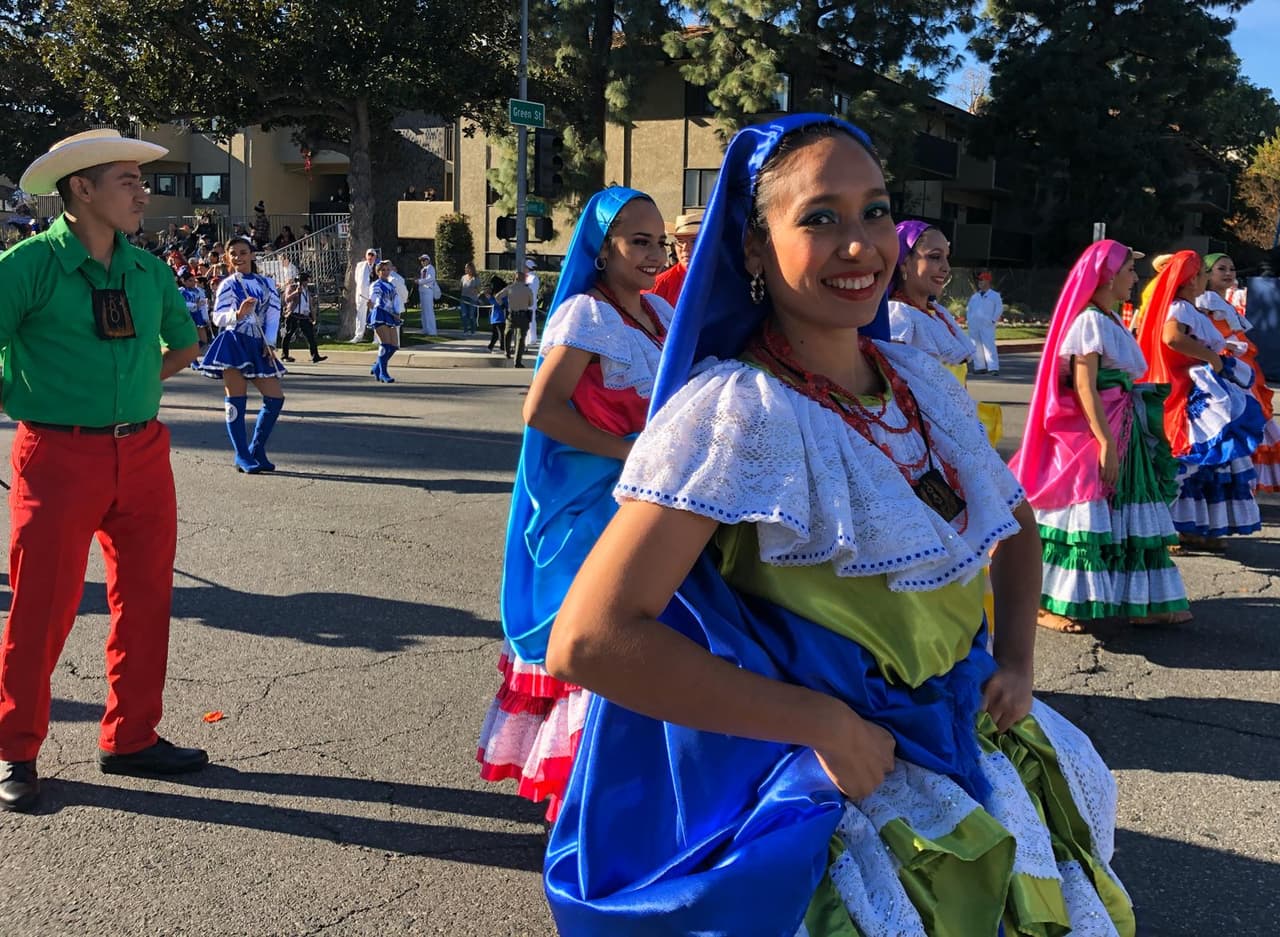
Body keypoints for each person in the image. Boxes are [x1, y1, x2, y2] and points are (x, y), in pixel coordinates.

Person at [540, 115, 1134, 936]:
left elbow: (1018, 522)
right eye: (819, 217)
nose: (860, 245)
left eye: (876, 211)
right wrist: (820, 723)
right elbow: (590, 638)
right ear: (753, 248)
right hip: (847, 774)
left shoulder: (918, 382)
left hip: (967, 733)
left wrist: (1019, 660)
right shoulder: (734, 412)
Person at [0, 129, 209, 813]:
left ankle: (131, 736)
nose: (143, 191)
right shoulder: (27, 266)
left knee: (147, 598)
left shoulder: (147, 271)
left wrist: (129, 392)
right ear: (81, 190)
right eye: (127, 179)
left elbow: (183, 344)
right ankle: (16, 748)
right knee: (42, 605)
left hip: (143, 451)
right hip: (58, 453)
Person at [477, 186, 672, 822]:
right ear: (603, 247)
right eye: (637, 241)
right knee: (601, 639)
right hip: (591, 507)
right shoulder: (587, 315)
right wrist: (626, 452)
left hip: (646, 504)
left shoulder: (657, 315)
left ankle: (627, 792)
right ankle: (583, 804)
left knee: (646, 636)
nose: (652, 253)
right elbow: (540, 410)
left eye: (658, 241)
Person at [1010, 240, 1190, 634]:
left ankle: (1142, 601)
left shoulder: (1109, 319)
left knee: (1127, 511)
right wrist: (1105, 441)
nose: (1135, 277)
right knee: (1082, 510)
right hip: (1101, 429)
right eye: (1129, 269)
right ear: (1107, 275)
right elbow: (1084, 385)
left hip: (1124, 427)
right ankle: (1045, 603)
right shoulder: (1089, 321)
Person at [1136, 250, 1264, 552]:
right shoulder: (1179, 307)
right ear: (1193, 279)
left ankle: (1198, 528)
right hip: (1188, 390)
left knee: (1212, 462)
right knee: (1192, 459)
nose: (1207, 278)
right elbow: (1171, 338)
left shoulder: (1189, 308)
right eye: (1204, 273)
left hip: (1202, 387)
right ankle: (1175, 529)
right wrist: (1210, 357)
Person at [195, 235, 288, 474]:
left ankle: (257, 448)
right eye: (233, 253)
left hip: (258, 345)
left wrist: (270, 343)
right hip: (234, 342)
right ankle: (242, 454)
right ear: (227, 257)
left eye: (243, 252)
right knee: (237, 400)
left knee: (275, 398)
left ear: (252, 255)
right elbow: (217, 317)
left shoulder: (267, 283)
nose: (238, 257)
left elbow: (273, 315)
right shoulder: (228, 284)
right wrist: (238, 313)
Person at [1198, 252, 1280, 492]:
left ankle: (1243, 481)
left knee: (1253, 421)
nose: (1228, 273)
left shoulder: (1226, 304)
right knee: (1234, 424)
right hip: (1224, 372)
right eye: (1221, 269)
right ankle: (1226, 483)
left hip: (1242, 370)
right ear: (1207, 274)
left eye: (1231, 269)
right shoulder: (1204, 303)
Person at [650, 208, 702, 305]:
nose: (685, 247)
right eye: (680, 241)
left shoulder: (728, 281)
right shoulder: (659, 286)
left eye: (694, 241)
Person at [280, 272, 327, 364]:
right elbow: (287, 299)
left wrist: (313, 317)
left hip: (304, 316)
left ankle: (315, 356)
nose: (307, 282)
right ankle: (284, 355)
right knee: (288, 334)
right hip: (293, 314)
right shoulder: (292, 287)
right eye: (306, 280)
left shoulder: (306, 290)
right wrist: (296, 292)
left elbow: (309, 304)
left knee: (310, 336)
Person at [367, 260, 402, 383]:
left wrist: (397, 312)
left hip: (391, 316)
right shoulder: (376, 285)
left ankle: (377, 367)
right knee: (385, 344)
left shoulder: (392, 285)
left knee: (393, 346)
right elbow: (374, 297)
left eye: (388, 269)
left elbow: (395, 301)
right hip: (380, 314)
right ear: (378, 272)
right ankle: (383, 373)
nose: (386, 272)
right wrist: (371, 303)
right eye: (383, 270)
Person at [966, 269, 1003, 375]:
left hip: (987, 324)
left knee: (989, 345)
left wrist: (992, 320)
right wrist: (970, 320)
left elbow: (999, 309)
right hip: (974, 324)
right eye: (979, 281)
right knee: (976, 345)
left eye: (982, 280)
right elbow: (969, 309)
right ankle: (979, 367)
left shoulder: (995, 295)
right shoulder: (975, 296)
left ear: (987, 281)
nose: (979, 283)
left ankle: (993, 367)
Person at [496, 274, 534, 367]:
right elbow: (531, 303)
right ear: (524, 279)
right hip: (523, 316)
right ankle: (517, 361)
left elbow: (497, 296)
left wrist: (502, 305)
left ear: (515, 278)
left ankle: (507, 351)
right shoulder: (528, 290)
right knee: (521, 339)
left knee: (507, 333)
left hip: (511, 315)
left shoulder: (510, 288)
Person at [177, 265, 210, 350]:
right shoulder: (180, 291)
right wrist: (195, 305)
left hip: (198, 314)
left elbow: (203, 305)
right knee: (191, 336)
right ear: (183, 281)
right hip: (187, 315)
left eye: (194, 280)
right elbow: (181, 304)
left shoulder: (199, 291)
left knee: (201, 330)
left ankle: (205, 349)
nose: (193, 283)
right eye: (190, 281)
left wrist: (206, 318)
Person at [350, 247, 377, 342]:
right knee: (360, 315)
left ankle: (376, 337)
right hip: (361, 294)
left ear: (375, 257)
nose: (370, 257)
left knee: (375, 314)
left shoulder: (377, 267)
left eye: (372, 255)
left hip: (373, 295)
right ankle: (358, 335)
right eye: (369, 255)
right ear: (366, 256)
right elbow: (357, 279)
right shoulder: (360, 265)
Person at [416, 252, 438, 335]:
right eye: (421, 260)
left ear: (428, 260)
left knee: (429, 311)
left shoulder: (430, 268)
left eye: (424, 260)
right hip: (422, 290)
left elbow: (430, 278)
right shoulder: (423, 269)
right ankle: (425, 329)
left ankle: (432, 331)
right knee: (424, 312)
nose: (422, 262)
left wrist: (419, 281)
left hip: (428, 290)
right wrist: (419, 281)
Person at [485, 276, 507, 352]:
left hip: (500, 315)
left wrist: (490, 298)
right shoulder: (501, 292)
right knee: (496, 333)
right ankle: (491, 346)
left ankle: (502, 347)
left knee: (500, 332)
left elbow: (498, 303)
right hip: (496, 315)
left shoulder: (501, 293)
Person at [459, 262, 480, 335]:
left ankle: (473, 330)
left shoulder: (476, 278)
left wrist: (474, 290)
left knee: (471, 315)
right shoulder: (463, 277)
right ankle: (465, 330)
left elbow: (478, 289)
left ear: (471, 269)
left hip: (472, 299)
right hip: (463, 298)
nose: (465, 269)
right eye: (465, 268)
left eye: (466, 268)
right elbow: (461, 287)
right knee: (464, 314)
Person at [524, 259, 541, 344]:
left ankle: (532, 339)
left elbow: (531, 290)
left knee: (531, 321)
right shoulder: (526, 277)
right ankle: (528, 338)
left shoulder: (533, 278)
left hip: (530, 303)